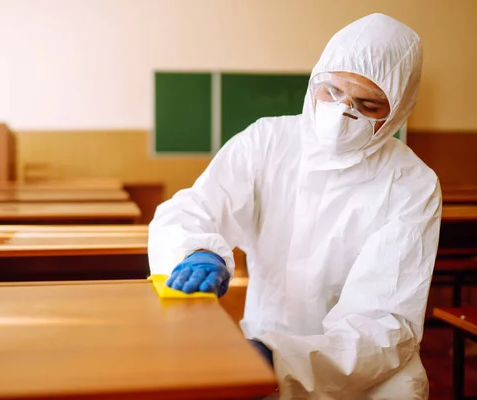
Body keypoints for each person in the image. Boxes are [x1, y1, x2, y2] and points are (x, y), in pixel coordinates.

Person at [147, 13, 442, 400]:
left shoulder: (411, 184)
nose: (341, 113)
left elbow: (384, 321)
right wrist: (197, 250)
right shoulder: (267, 141)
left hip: (370, 372)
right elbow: (194, 206)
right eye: (332, 91)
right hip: (261, 341)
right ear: (315, 79)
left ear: (397, 112)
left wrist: (281, 357)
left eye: (367, 105)